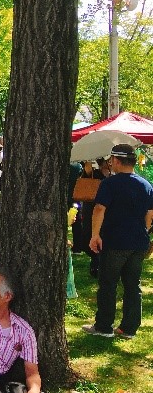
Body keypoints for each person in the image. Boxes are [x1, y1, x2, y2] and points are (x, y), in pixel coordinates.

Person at [83, 144, 153, 339]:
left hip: (115, 241)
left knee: (108, 284)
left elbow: (99, 209)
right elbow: (150, 213)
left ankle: (104, 326)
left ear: (116, 160)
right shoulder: (146, 185)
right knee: (133, 285)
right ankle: (129, 328)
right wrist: (143, 231)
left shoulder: (110, 184)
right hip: (138, 242)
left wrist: (95, 235)